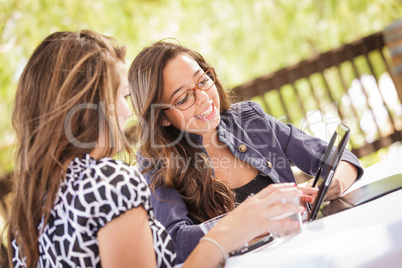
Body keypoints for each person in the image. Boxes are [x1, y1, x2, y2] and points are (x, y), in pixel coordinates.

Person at [6, 30, 312, 268]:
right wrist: (237, 226)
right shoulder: (107, 183)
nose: (126, 113)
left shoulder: (31, 205)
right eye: (122, 96)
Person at [128, 40, 364, 263]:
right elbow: (174, 243)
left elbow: (341, 158)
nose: (203, 97)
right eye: (183, 98)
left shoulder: (249, 119)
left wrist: (333, 185)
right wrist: (248, 222)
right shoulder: (156, 162)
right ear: (161, 118)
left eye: (201, 81)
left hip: (304, 255)